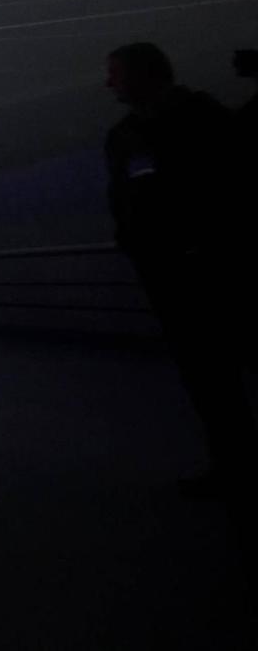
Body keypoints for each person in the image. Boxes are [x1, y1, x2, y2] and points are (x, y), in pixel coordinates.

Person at [105, 42, 253, 497]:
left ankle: (236, 468)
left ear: (143, 75)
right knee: (208, 379)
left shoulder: (155, 128)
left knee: (213, 378)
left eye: (116, 73)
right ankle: (234, 465)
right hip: (178, 274)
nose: (109, 82)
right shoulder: (151, 127)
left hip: (206, 269)